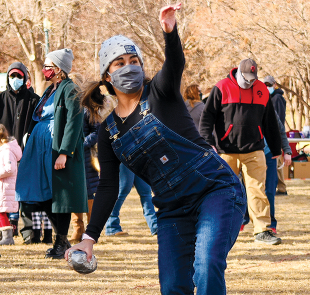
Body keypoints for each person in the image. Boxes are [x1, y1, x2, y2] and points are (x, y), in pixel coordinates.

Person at [71, 4, 247, 294]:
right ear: (106, 77)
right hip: (171, 209)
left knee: (206, 265)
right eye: (119, 63)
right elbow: (107, 188)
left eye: (134, 61)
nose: (129, 67)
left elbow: (175, 62)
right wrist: (89, 237)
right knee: (172, 286)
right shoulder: (108, 132)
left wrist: (170, 31)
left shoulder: (161, 92)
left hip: (215, 191)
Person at [200, 58, 282, 245]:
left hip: (254, 150)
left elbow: (270, 122)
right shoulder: (221, 87)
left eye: (253, 78)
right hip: (226, 151)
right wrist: (207, 142)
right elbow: (206, 118)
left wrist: (276, 149)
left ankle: (262, 231)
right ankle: (218, 229)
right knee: (223, 191)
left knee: (257, 191)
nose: (250, 82)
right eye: (247, 78)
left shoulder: (262, 90)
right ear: (238, 73)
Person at [15, 48, 88, 259]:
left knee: (60, 196)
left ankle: (61, 240)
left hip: (56, 148)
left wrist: (64, 152)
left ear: (58, 69)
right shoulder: (49, 90)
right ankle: (61, 239)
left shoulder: (70, 89)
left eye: (48, 66)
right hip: (39, 148)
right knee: (40, 195)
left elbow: (74, 123)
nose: (44, 69)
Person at [0, 62, 40, 243]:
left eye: (19, 76)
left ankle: (29, 233)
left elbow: (38, 126)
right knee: (0, 194)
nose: (15, 79)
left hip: (26, 154)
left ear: (25, 77)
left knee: (26, 195)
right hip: (2, 154)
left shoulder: (33, 100)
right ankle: (2, 231)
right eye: (12, 76)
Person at [69, 110, 99, 243]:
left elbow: (97, 131)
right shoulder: (66, 109)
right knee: (73, 193)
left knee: (88, 192)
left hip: (85, 156)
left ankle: (91, 230)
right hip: (69, 155)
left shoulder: (88, 111)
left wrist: (82, 144)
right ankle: (77, 228)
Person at [104, 164, 158, 236]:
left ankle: (155, 226)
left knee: (146, 192)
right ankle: (111, 226)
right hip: (125, 158)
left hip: (140, 158)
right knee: (123, 190)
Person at [264, 76, 289, 195]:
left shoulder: (277, 98)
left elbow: (278, 119)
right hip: (270, 137)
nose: (267, 87)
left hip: (275, 136)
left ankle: (281, 188)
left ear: (275, 84)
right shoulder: (269, 98)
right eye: (265, 84)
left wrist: (277, 139)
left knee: (277, 165)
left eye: (269, 84)